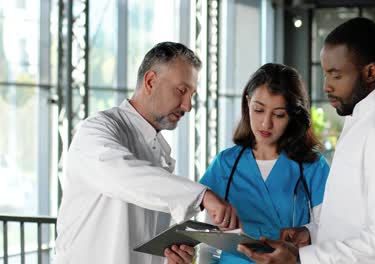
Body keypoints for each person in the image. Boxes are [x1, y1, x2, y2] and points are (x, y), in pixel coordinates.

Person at [238, 17, 375, 263]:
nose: (326, 86)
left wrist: (301, 258)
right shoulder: (364, 121)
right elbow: (354, 221)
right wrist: (311, 234)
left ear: (371, 72)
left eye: (336, 76)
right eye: (325, 74)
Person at [55, 42, 239, 264]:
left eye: (192, 94)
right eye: (181, 91)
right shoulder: (96, 130)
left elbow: (144, 231)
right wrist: (202, 196)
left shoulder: (158, 150)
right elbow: (122, 174)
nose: (188, 105)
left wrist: (172, 257)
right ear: (150, 81)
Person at [199, 63, 330, 263]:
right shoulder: (225, 164)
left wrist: (307, 234)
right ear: (247, 103)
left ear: (293, 115)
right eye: (258, 110)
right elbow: (207, 243)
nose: (266, 123)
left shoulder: (313, 166)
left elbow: (332, 231)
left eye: (278, 115)